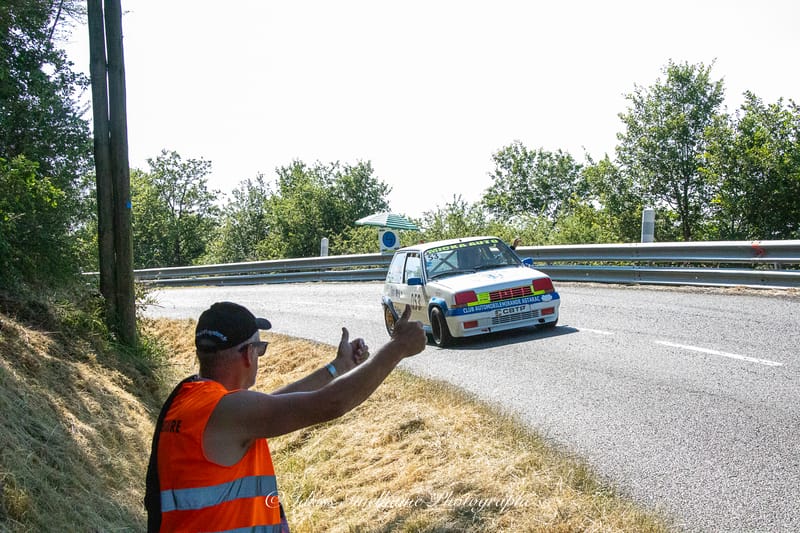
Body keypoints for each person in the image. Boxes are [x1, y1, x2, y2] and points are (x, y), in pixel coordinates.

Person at [145, 301, 426, 532]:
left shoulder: (192, 400)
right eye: (260, 348)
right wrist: (398, 348)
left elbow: (273, 404)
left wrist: (337, 368)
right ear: (248, 354)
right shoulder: (227, 411)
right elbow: (332, 403)